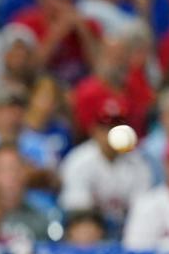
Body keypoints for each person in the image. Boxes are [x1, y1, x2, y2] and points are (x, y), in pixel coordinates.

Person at [60, 98, 152, 240]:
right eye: (106, 127)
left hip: (127, 229)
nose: (112, 134)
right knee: (84, 230)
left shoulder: (138, 164)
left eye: (117, 127)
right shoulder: (78, 161)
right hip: (92, 229)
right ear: (94, 130)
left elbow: (142, 212)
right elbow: (77, 213)